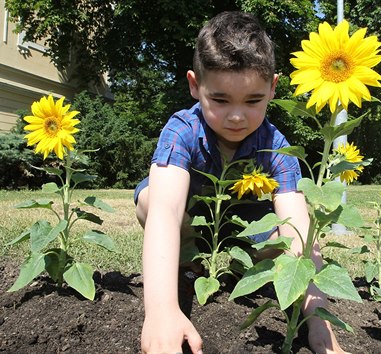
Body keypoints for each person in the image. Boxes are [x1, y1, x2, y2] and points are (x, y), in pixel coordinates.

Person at [136, 11, 348, 354]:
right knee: (148, 200)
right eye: (219, 100)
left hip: (250, 235)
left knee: (287, 236)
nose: (236, 116)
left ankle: (243, 275)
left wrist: (320, 326)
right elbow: (164, 210)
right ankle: (185, 269)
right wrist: (161, 313)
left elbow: (297, 231)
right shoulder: (181, 130)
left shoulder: (277, 146)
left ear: (273, 88)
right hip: (189, 224)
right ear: (194, 85)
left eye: (253, 101)